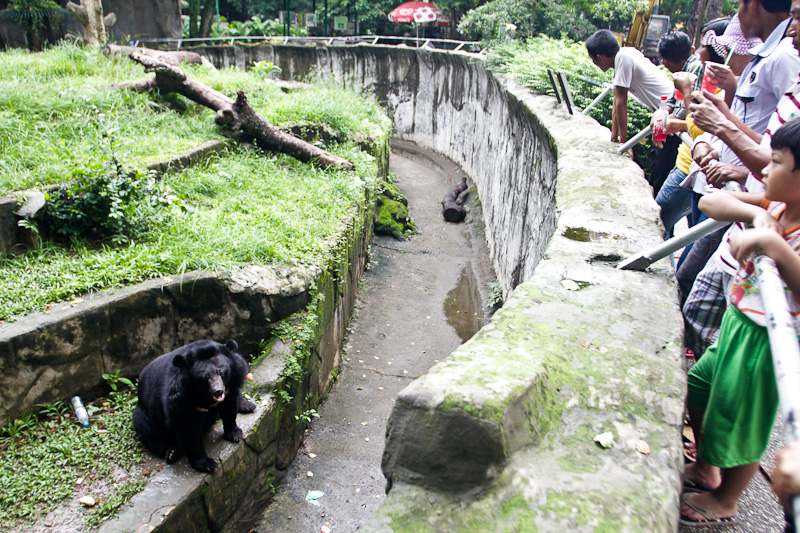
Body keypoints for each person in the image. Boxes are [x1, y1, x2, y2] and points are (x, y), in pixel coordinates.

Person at [682, 117, 800, 527]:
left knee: (740, 420)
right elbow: (711, 203)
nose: (764, 169)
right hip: (738, 324)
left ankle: (727, 499)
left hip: (765, 344)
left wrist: (772, 245)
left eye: (777, 162)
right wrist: (758, 216)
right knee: (698, 386)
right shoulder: (779, 206)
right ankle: (707, 467)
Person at [680, 0, 800, 357]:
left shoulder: (783, 59)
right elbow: (771, 147)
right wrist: (726, 116)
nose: (794, 28)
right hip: (743, 203)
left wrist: (721, 127)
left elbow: (774, 153)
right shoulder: (774, 57)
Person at [585, 29, 676, 194]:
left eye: (593, 60)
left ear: (599, 57)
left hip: (672, 112)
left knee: (660, 168)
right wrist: (614, 138)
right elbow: (616, 99)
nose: (594, 64)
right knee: (657, 162)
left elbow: (621, 101)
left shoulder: (623, 59)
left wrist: (625, 143)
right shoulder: (626, 54)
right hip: (665, 111)